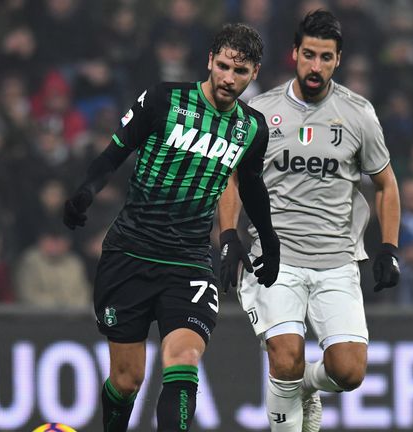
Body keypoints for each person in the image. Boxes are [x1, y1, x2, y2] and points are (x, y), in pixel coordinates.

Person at [62, 23, 281, 432]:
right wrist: (86, 193)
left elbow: (250, 185)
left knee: (183, 359)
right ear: (209, 61)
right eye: (223, 67)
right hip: (130, 253)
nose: (229, 79)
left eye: (241, 71)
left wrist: (269, 242)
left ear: (254, 73)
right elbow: (116, 152)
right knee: (127, 381)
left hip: (190, 260)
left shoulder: (252, 128)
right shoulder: (164, 98)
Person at [218, 10, 401, 432]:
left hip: (336, 260)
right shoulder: (260, 112)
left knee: (350, 373)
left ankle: (307, 387)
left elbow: (386, 185)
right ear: (294, 55)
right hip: (274, 258)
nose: (315, 66)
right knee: (285, 357)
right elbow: (229, 176)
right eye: (309, 55)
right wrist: (228, 234)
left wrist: (389, 248)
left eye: (325, 58)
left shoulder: (358, 114)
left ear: (338, 60)